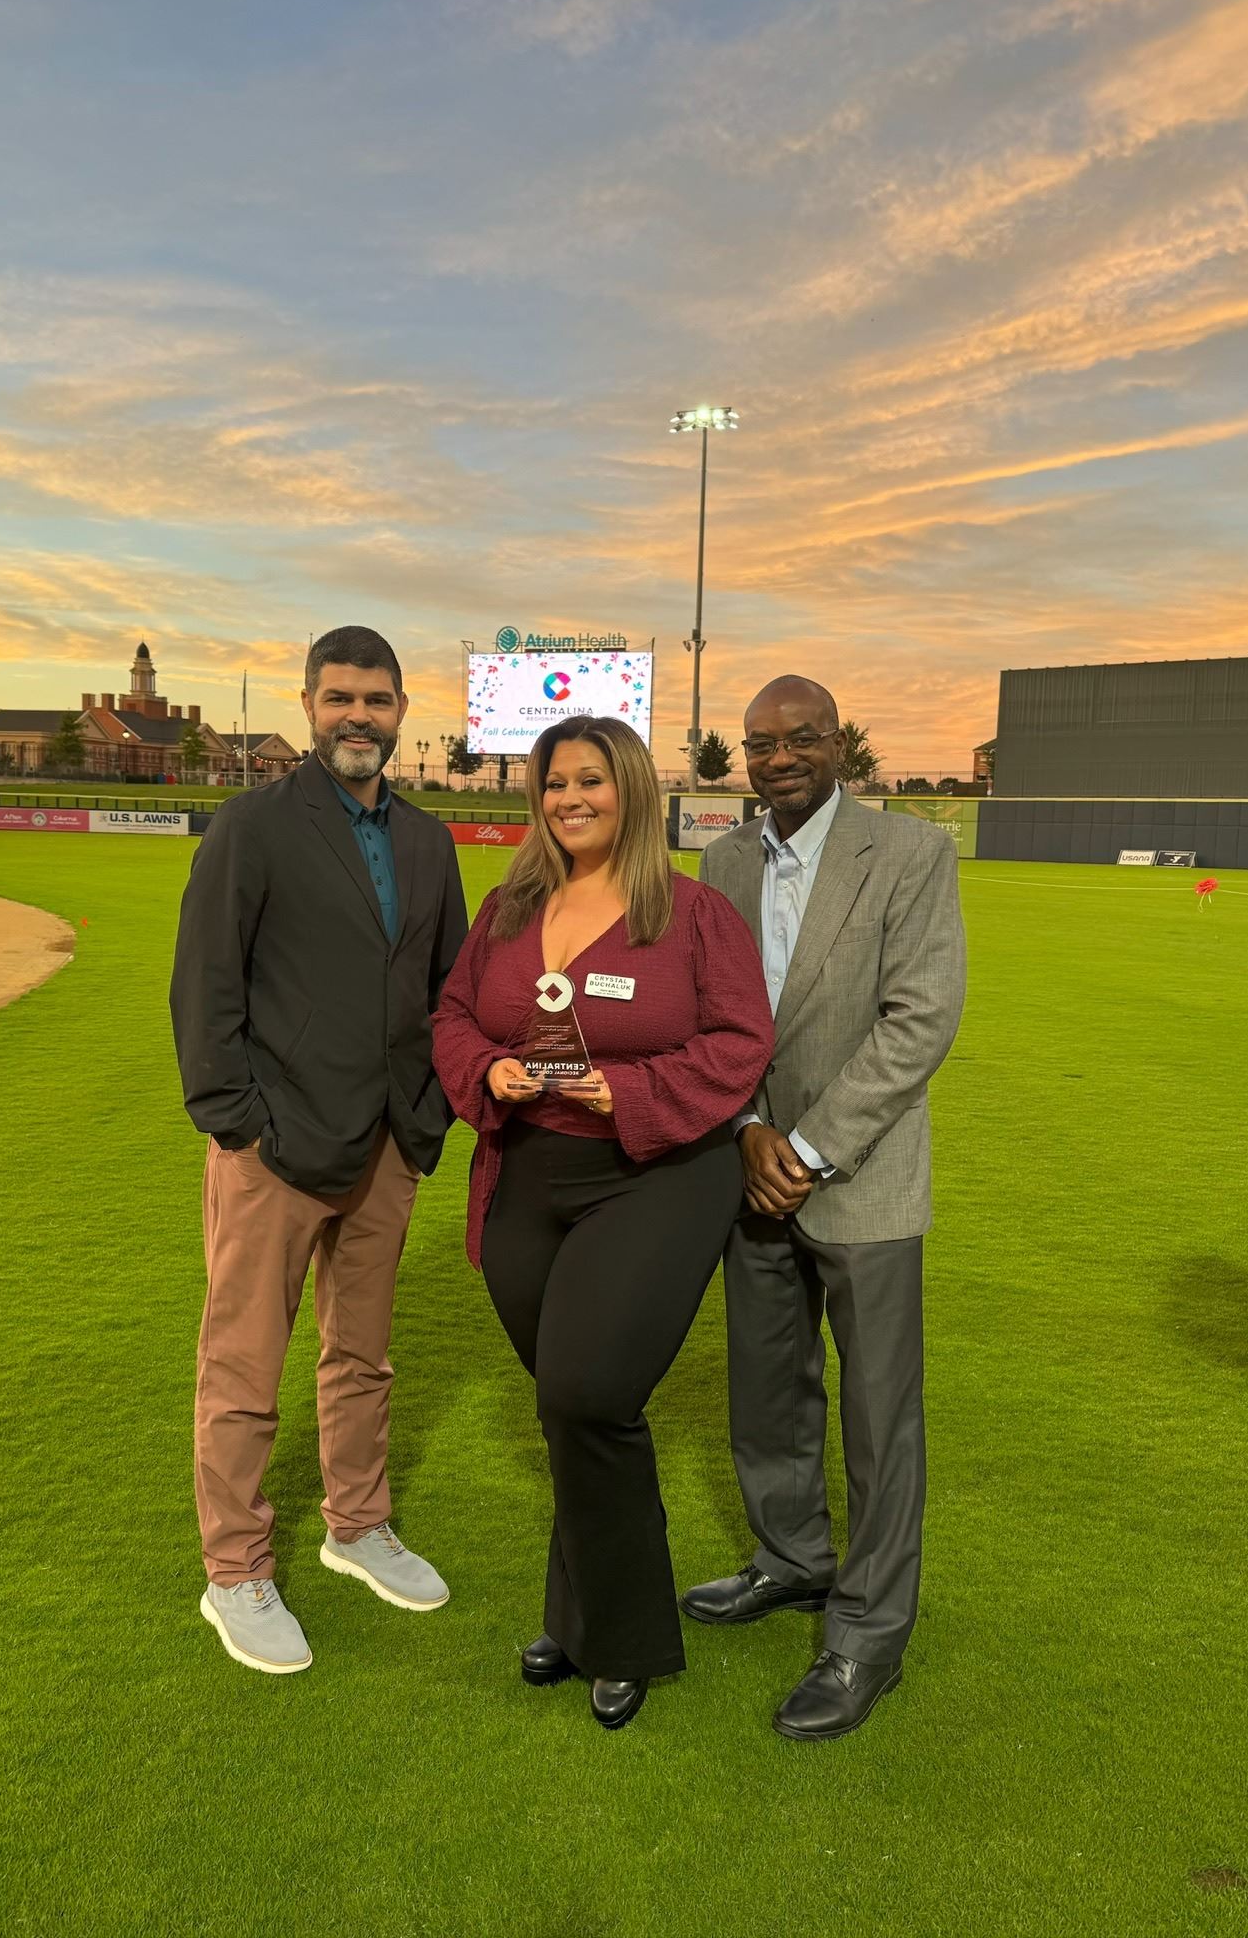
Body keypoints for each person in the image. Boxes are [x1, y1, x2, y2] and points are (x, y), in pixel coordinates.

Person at [432, 716, 773, 1730]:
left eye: (590, 779)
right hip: (525, 1174)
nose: (569, 798)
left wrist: (626, 1090)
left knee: (588, 1393)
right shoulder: (507, 909)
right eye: (553, 783)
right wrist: (488, 1069)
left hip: (653, 1175)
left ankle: (622, 1639)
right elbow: (452, 1016)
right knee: (569, 1407)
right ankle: (578, 1613)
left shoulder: (693, 914)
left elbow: (739, 1041)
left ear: (629, 788)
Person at [170, 625, 468, 1673]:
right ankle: (235, 1568)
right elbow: (206, 983)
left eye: (376, 700)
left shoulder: (427, 840)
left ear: (401, 711)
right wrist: (238, 1123)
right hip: (275, 1148)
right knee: (243, 1367)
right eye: (339, 697)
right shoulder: (252, 825)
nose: (358, 716)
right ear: (307, 706)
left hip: (387, 1141)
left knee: (362, 1356)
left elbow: (448, 988)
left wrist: (427, 1114)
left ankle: (357, 1524)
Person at [680, 676, 966, 1740]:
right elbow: (708, 1018)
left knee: (879, 1416)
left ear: (839, 743)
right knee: (766, 1390)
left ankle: (868, 1634)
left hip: (861, 1176)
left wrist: (803, 1147)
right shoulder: (721, 862)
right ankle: (793, 1556)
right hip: (749, 1167)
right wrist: (749, 1127)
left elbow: (919, 1019)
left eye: (801, 738)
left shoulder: (910, 853)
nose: (780, 757)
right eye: (760, 743)